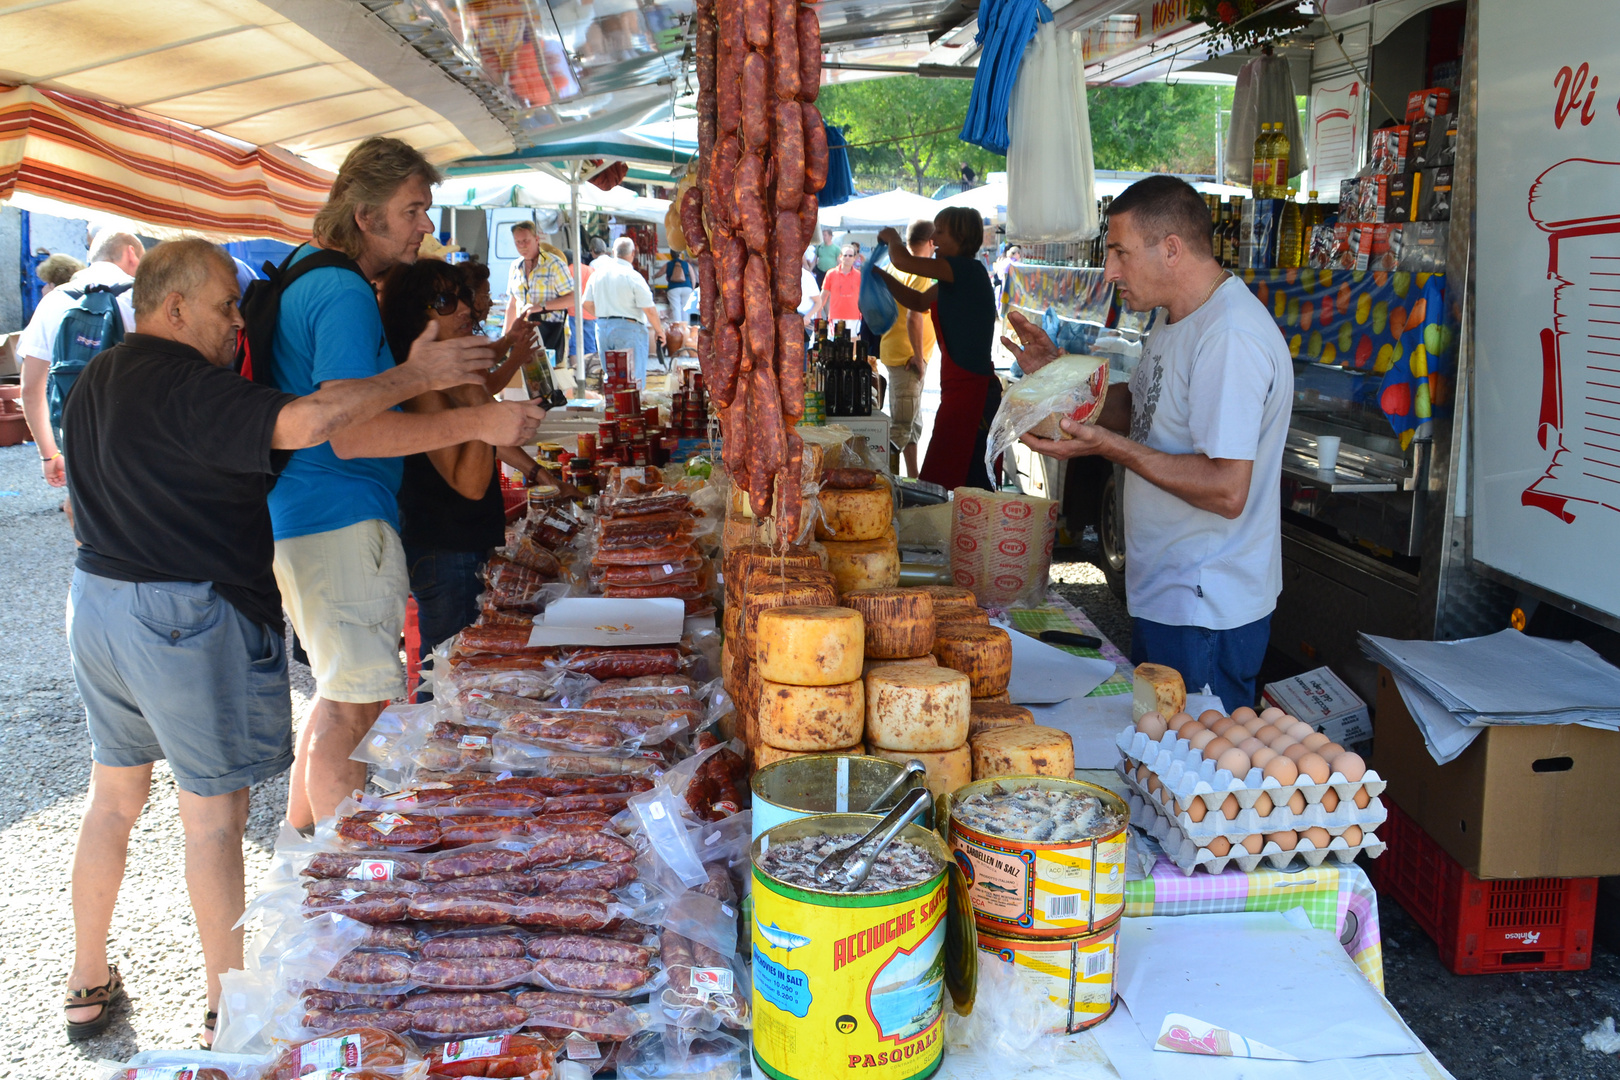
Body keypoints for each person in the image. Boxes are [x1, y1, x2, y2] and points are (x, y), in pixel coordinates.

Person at [60, 238, 495, 1043]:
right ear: (176, 304)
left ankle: (88, 978)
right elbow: (311, 420)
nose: (237, 321)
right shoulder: (187, 381)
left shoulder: (98, 378)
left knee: (112, 802)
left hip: (97, 603)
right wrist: (419, 378)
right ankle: (229, 1002)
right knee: (213, 821)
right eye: (226, 305)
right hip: (181, 613)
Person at [267, 137, 547, 832]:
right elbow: (352, 430)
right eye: (413, 208)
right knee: (353, 708)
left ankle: (303, 844)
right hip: (339, 515)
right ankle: (342, 874)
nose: (426, 224)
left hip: (310, 515)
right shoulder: (340, 290)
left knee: (338, 696)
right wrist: (478, 413)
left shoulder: (308, 271)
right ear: (365, 215)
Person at [1005, 175, 1292, 710]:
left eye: (1120, 252)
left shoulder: (1230, 335)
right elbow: (1140, 408)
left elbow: (1227, 489)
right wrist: (1060, 380)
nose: (1110, 271)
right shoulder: (1174, 318)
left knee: (1197, 773)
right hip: (1167, 591)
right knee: (1160, 760)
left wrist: (1109, 449)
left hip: (1205, 606)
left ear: (1171, 250)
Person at [381, 258, 546, 683]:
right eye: (444, 300)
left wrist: (537, 472)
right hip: (443, 548)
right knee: (448, 677)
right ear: (417, 315)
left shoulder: (450, 375)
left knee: (462, 670)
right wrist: (480, 403)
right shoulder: (423, 382)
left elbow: (490, 433)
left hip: (461, 542)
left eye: (463, 298)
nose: (465, 311)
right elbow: (469, 483)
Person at [876, 206, 1001, 490]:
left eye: (940, 232)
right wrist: (881, 278)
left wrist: (893, 237)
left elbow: (903, 261)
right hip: (960, 390)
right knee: (949, 476)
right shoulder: (954, 277)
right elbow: (918, 302)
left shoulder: (964, 269)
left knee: (956, 479)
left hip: (973, 393)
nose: (934, 238)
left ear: (960, 237)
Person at [17, 230, 142, 490]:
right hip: (138, 439)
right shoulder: (143, 298)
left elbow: (30, 390)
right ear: (131, 253)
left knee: (85, 514)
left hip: (77, 437)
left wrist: (49, 454)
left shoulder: (53, 301)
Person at [878, 219, 938, 479]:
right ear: (931, 242)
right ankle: (890, 484)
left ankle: (913, 478)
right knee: (902, 427)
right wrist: (918, 356)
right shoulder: (921, 273)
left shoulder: (897, 267)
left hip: (900, 353)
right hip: (908, 358)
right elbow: (915, 316)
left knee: (911, 422)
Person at [582, 237, 666, 386]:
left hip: (603, 328)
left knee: (612, 378)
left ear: (613, 252)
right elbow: (649, 309)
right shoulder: (633, 276)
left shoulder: (598, 274)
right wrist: (659, 331)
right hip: (629, 328)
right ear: (633, 253)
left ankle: (613, 407)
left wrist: (605, 314)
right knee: (633, 380)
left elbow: (586, 303)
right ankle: (632, 408)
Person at [503, 221, 574, 363]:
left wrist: (540, 307)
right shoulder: (515, 266)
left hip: (552, 333)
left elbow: (573, 298)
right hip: (523, 336)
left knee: (555, 380)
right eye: (518, 242)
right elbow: (512, 303)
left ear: (536, 240)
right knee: (526, 381)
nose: (522, 246)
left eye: (525, 241)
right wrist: (506, 336)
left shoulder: (554, 265)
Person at [811, 244, 862, 329]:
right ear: (840, 256)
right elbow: (824, 295)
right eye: (845, 255)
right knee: (838, 341)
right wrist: (818, 311)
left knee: (853, 342)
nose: (848, 258)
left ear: (854, 258)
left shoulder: (859, 275)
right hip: (837, 317)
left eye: (850, 255)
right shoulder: (831, 274)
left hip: (854, 318)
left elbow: (863, 297)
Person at [664, 248, 694, 325]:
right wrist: (692, 289)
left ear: (671, 255)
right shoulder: (686, 264)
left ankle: (678, 328)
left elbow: (660, 273)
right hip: (687, 288)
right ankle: (685, 328)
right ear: (680, 254)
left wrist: (653, 277)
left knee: (676, 308)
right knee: (685, 309)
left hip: (673, 288)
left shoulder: (668, 264)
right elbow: (693, 277)